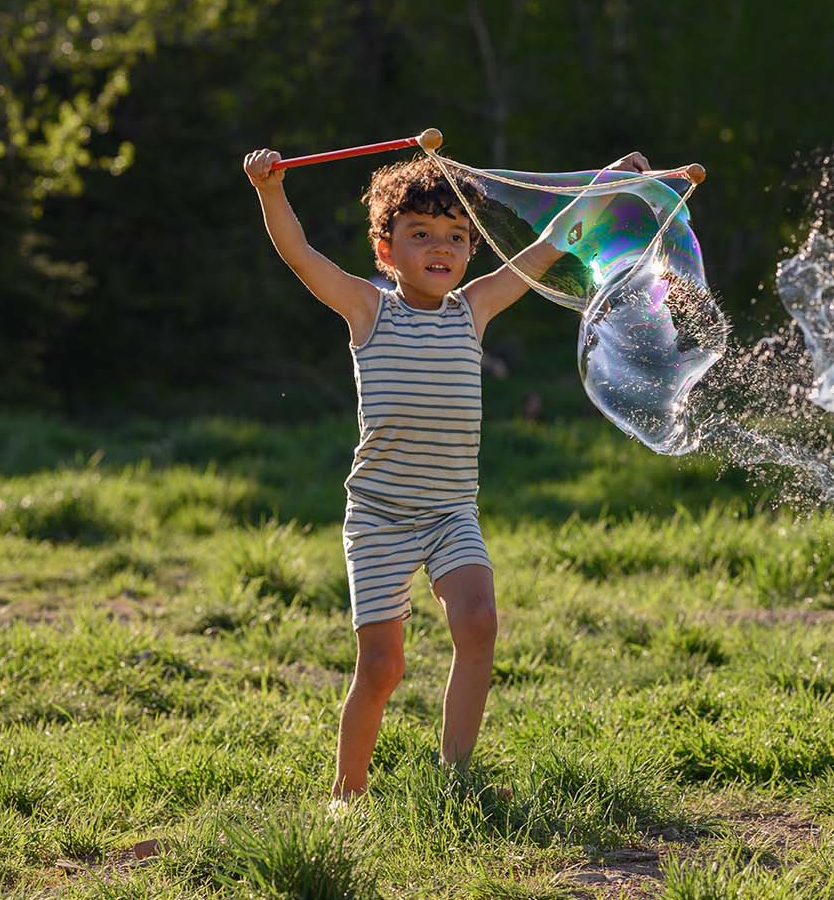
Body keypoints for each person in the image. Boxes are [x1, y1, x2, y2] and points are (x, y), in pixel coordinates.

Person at [242, 146, 650, 801]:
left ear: (472, 250)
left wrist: (606, 187)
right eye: (421, 234)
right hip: (379, 516)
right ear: (386, 250)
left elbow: (548, 245)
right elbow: (301, 256)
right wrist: (269, 190)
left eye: (456, 236)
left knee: (479, 622)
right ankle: (347, 795)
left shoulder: (475, 308)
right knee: (381, 667)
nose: (441, 248)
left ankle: (455, 778)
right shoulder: (367, 310)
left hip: (450, 513)